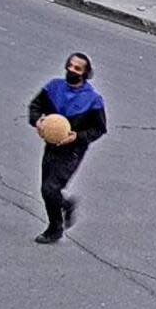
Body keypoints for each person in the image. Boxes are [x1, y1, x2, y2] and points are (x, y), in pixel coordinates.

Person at [28, 52, 107, 244]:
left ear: (85, 73)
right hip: (52, 146)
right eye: (70, 66)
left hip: (72, 151)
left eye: (77, 69)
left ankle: (55, 229)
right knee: (47, 189)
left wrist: (77, 137)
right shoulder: (53, 88)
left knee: (50, 188)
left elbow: (99, 129)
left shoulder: (93, 100)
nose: (72, 70)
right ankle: (65, 205)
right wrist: (38, 121)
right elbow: (35, 106)